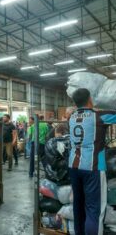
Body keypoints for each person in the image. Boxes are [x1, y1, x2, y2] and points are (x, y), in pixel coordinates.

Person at [69, 88, 116, 235]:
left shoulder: (71, 117)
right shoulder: (99, 116)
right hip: (93, 168)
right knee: (94, 210)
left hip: (74, 166)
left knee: (78, 206)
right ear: (90, 99)